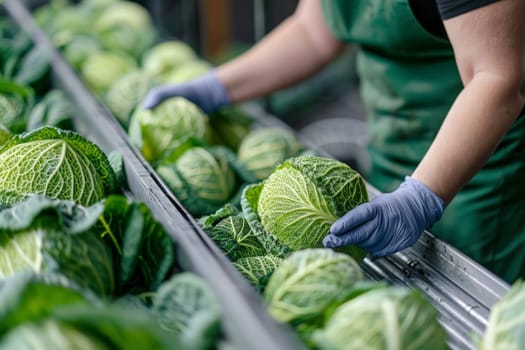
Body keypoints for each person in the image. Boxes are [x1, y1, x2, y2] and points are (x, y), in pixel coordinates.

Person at [142, 0, 525, 283]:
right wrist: (217, 88)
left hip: (480, 179)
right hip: (394, 150)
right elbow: (314, 30)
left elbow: (497, 78)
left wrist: (421, 196)